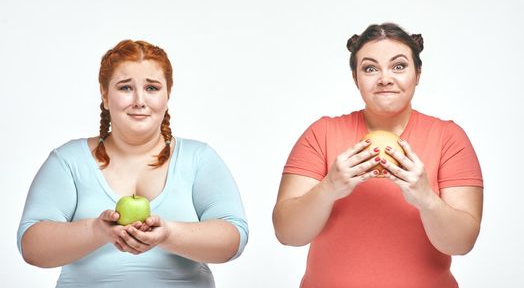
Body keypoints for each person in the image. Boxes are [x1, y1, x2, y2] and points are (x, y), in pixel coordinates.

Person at [17, 40, 248, 288]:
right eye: (125, 88)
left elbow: (234, 239)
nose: (139, 100)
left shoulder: (199, 158)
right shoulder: (68, 161)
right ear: (105, 95)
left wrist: (169, 234)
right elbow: (31, 246)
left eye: (152, 88)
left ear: (168, 95)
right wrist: (97, 231)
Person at [272, 23, 483, 288]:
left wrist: (426, 199)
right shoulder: (322, 133)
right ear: (355, 78)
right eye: (370, 68)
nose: (384, 78)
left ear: (418, 73)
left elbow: (462, 243)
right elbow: (288, 234)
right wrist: (329, 187)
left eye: (398, 66)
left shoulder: (449, 137)